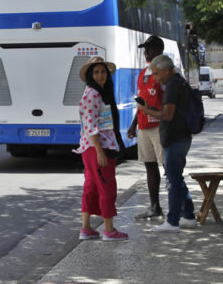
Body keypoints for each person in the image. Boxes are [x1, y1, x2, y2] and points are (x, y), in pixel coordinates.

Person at [137, 55, 197, 232]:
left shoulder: (172, 86)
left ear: (166, 70)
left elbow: (168, 114)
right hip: (180, 136)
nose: (155, 78)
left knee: (173, 181)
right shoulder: (180, 82)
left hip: (175, 137)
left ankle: (172, 221)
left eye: (156, 74)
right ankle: (188, 216)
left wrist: (147, 110)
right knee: (176, 178)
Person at [74, 57, 128, 241]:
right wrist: (99, 151)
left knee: (91, 187)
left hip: (92, 148)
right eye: (96, 72)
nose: (100, 75)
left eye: (102, 71)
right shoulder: (93, 94)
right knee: (106, 186)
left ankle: (86, 228)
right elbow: (91, 126)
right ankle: (109, 230)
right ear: (90, 75)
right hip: (98, 148)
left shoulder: (97, 93)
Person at [127, 35, 165, 220]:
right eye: (145, 49)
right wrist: (133, 124)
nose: (146, 52)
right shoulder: (142, 74)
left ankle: (180, 207)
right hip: (144, 126)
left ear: (160, 50)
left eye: (149, 49)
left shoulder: (166, 72)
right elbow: (141, 102)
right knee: (150, 166)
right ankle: (154, 206)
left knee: (169, 166)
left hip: (161, 126)